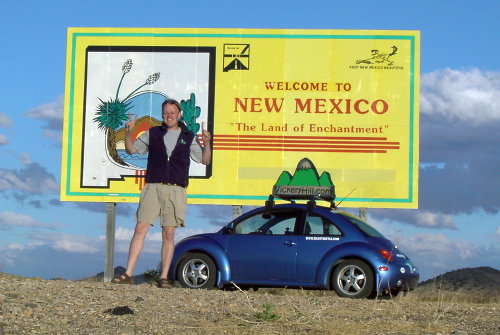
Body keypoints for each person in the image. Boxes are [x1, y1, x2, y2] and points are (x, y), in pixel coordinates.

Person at [111, 98, 211, 288]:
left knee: (168, 233)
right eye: (166, 112)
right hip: (152, 187)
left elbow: (205, 160)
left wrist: (207, 143)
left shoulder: (188, 136)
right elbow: (132, 150)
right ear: (162, 115)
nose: (169, 115)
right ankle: (128, 273)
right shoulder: (152, 133)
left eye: (173, 112)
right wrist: (129, 132)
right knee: (140, 228)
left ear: (179, 114)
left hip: (176, 189)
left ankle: (163, 277)